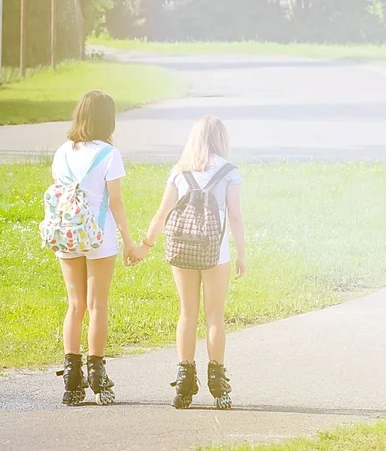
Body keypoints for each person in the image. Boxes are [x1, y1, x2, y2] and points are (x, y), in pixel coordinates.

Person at [131, 115, 247, 410]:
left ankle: (184, 381)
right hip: (214, 252)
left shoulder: (179, 172)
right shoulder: (229, 172)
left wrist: (146, 245)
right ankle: (218, 384)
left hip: (181, 249)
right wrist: (241, 254)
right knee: (214, 317)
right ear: (221, 139)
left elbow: (162, 212)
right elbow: (235, 216)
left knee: (187, 313)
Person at [51, 90, 135, 406]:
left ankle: (72, 379)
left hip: (68, 235)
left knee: (75, 305)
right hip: (99, 237)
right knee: (97, 305)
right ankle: (97, 374)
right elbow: (115, 201)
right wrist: (129, 241)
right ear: (107, 119)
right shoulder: (109, 154)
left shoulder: (62, 152)